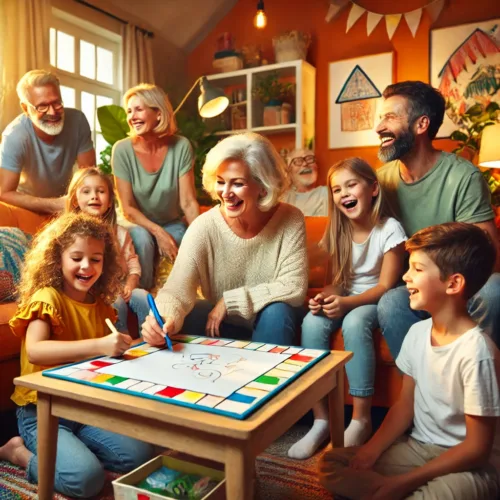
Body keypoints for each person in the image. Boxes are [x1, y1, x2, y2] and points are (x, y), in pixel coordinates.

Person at [319, 222, 500, 500]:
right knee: (332, 465)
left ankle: (397, 490)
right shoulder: (417, 333)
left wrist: (403, 482)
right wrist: (370, 451)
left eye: (417, 269)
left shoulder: (477, 352)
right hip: (418, 448)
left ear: (453, 283)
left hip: (470, 465)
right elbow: (404, 406)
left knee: (434, 492)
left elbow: (477, 448)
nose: (405, 277)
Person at [0, 212, 154, 498]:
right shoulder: (47, 297)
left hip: (84, 408)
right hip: (43, 411)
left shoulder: (99, 305)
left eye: (95, 259)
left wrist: (134, 345)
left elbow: (106, 356)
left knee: (140, 455)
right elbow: (35, 350)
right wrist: (100, 345)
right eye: (76, 257)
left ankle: (78, 456)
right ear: (58, 258)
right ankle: (18, 453)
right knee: (85, 481)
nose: (87, 266)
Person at [287, 158, 406, 460]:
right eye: (336, 189)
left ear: (373, 188)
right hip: (349, 298)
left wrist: (346, 303)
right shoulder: (338, 230)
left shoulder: (389, 229)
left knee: (354, 323)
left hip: (378, 300)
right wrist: (324, 298)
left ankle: (360, 419)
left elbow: (385, 287)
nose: (344, 193)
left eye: (351, 184)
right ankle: (321, 420)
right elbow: (339, 283)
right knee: (311, 322)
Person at [141, 132, 308, 346]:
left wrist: (230, 301)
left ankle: (266, 377)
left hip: (271, 323)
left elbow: (294, 286)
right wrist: (163, 320)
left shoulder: (290, 219)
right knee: (181, 317)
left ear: (263, 186)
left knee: (278, 310)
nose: (226, 193)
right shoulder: (204, 226)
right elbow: (177, 288)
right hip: (220, 324)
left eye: (237, 183)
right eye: (220, 182)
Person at [375, 80, 500, 357]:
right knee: (390, 303)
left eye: (391, 117)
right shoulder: (380, 181)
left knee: (493, 291)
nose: (379, 127)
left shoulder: (463, 176)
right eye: (381, 117)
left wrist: (443, 281)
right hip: (410, 285)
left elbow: (487, 254)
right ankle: (422, 389)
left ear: (421, 125)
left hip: (456, 282)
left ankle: (476, 381)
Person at [112, 83, 200, 290]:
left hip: (171, 222)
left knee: (183, 238)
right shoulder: (122, 150)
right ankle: (141, 297)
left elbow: (188, 202)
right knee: (142, 239)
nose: (131, 116)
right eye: (129, 111)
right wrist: (158, 233)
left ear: (158, 114)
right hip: (135, 222)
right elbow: (127, 207)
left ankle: (174, 300)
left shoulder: (181, 146)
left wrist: (201, 236)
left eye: (139, 109)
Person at [66, 167, 150, 334]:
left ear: (110, 201)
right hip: (94, 290)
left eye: (101, 191)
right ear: (75, 200)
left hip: (121, 287)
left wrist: (131, 284)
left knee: (143, 296)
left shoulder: (120, 233)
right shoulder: (71, 234)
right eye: (86, 191)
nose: (94, 196)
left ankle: (151, 338)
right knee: (116, 301)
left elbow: (132, 262)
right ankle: (122, 342)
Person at [0, 70, 95, 214]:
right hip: (27, 208)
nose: (52, 112)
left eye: (57, 103)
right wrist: (52, 205)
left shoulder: (78, 121)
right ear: (26, 108)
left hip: (66, 206)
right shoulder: (14, 136)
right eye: (42, 106)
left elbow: (88, 175)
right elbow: (4, 192)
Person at [282, 148, 328, 216]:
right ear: (289, 170)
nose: (305, 163)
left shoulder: (327, 193)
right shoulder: (283, 198)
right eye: (298, 161)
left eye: (309, 159)